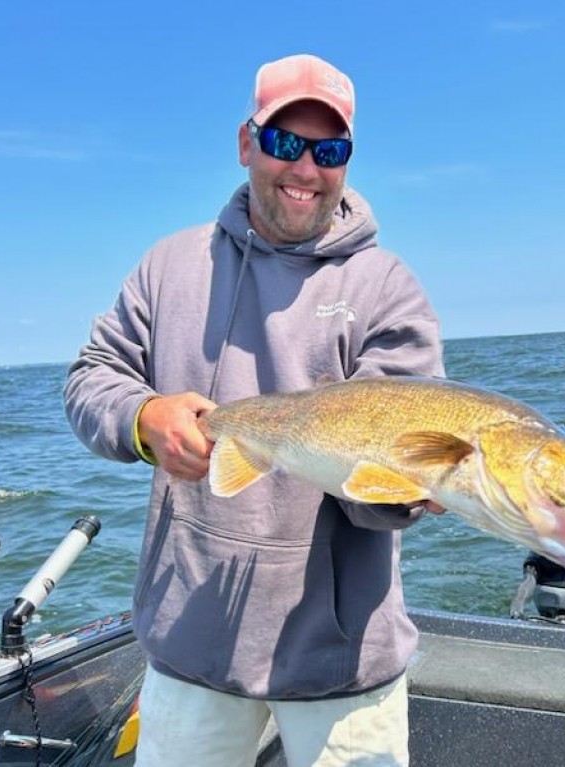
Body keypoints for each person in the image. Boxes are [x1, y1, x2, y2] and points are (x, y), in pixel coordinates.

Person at [64, 53, 444, 767]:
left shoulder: (388, 288)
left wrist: (413, 491)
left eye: (328, 151)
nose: (305, 168)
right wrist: (144, 420)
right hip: (189, 645)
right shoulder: (167, 267)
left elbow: (382, 502)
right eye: (284, 143)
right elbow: (91, 378)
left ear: (347, 161)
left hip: (341, 660)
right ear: (247, 143)